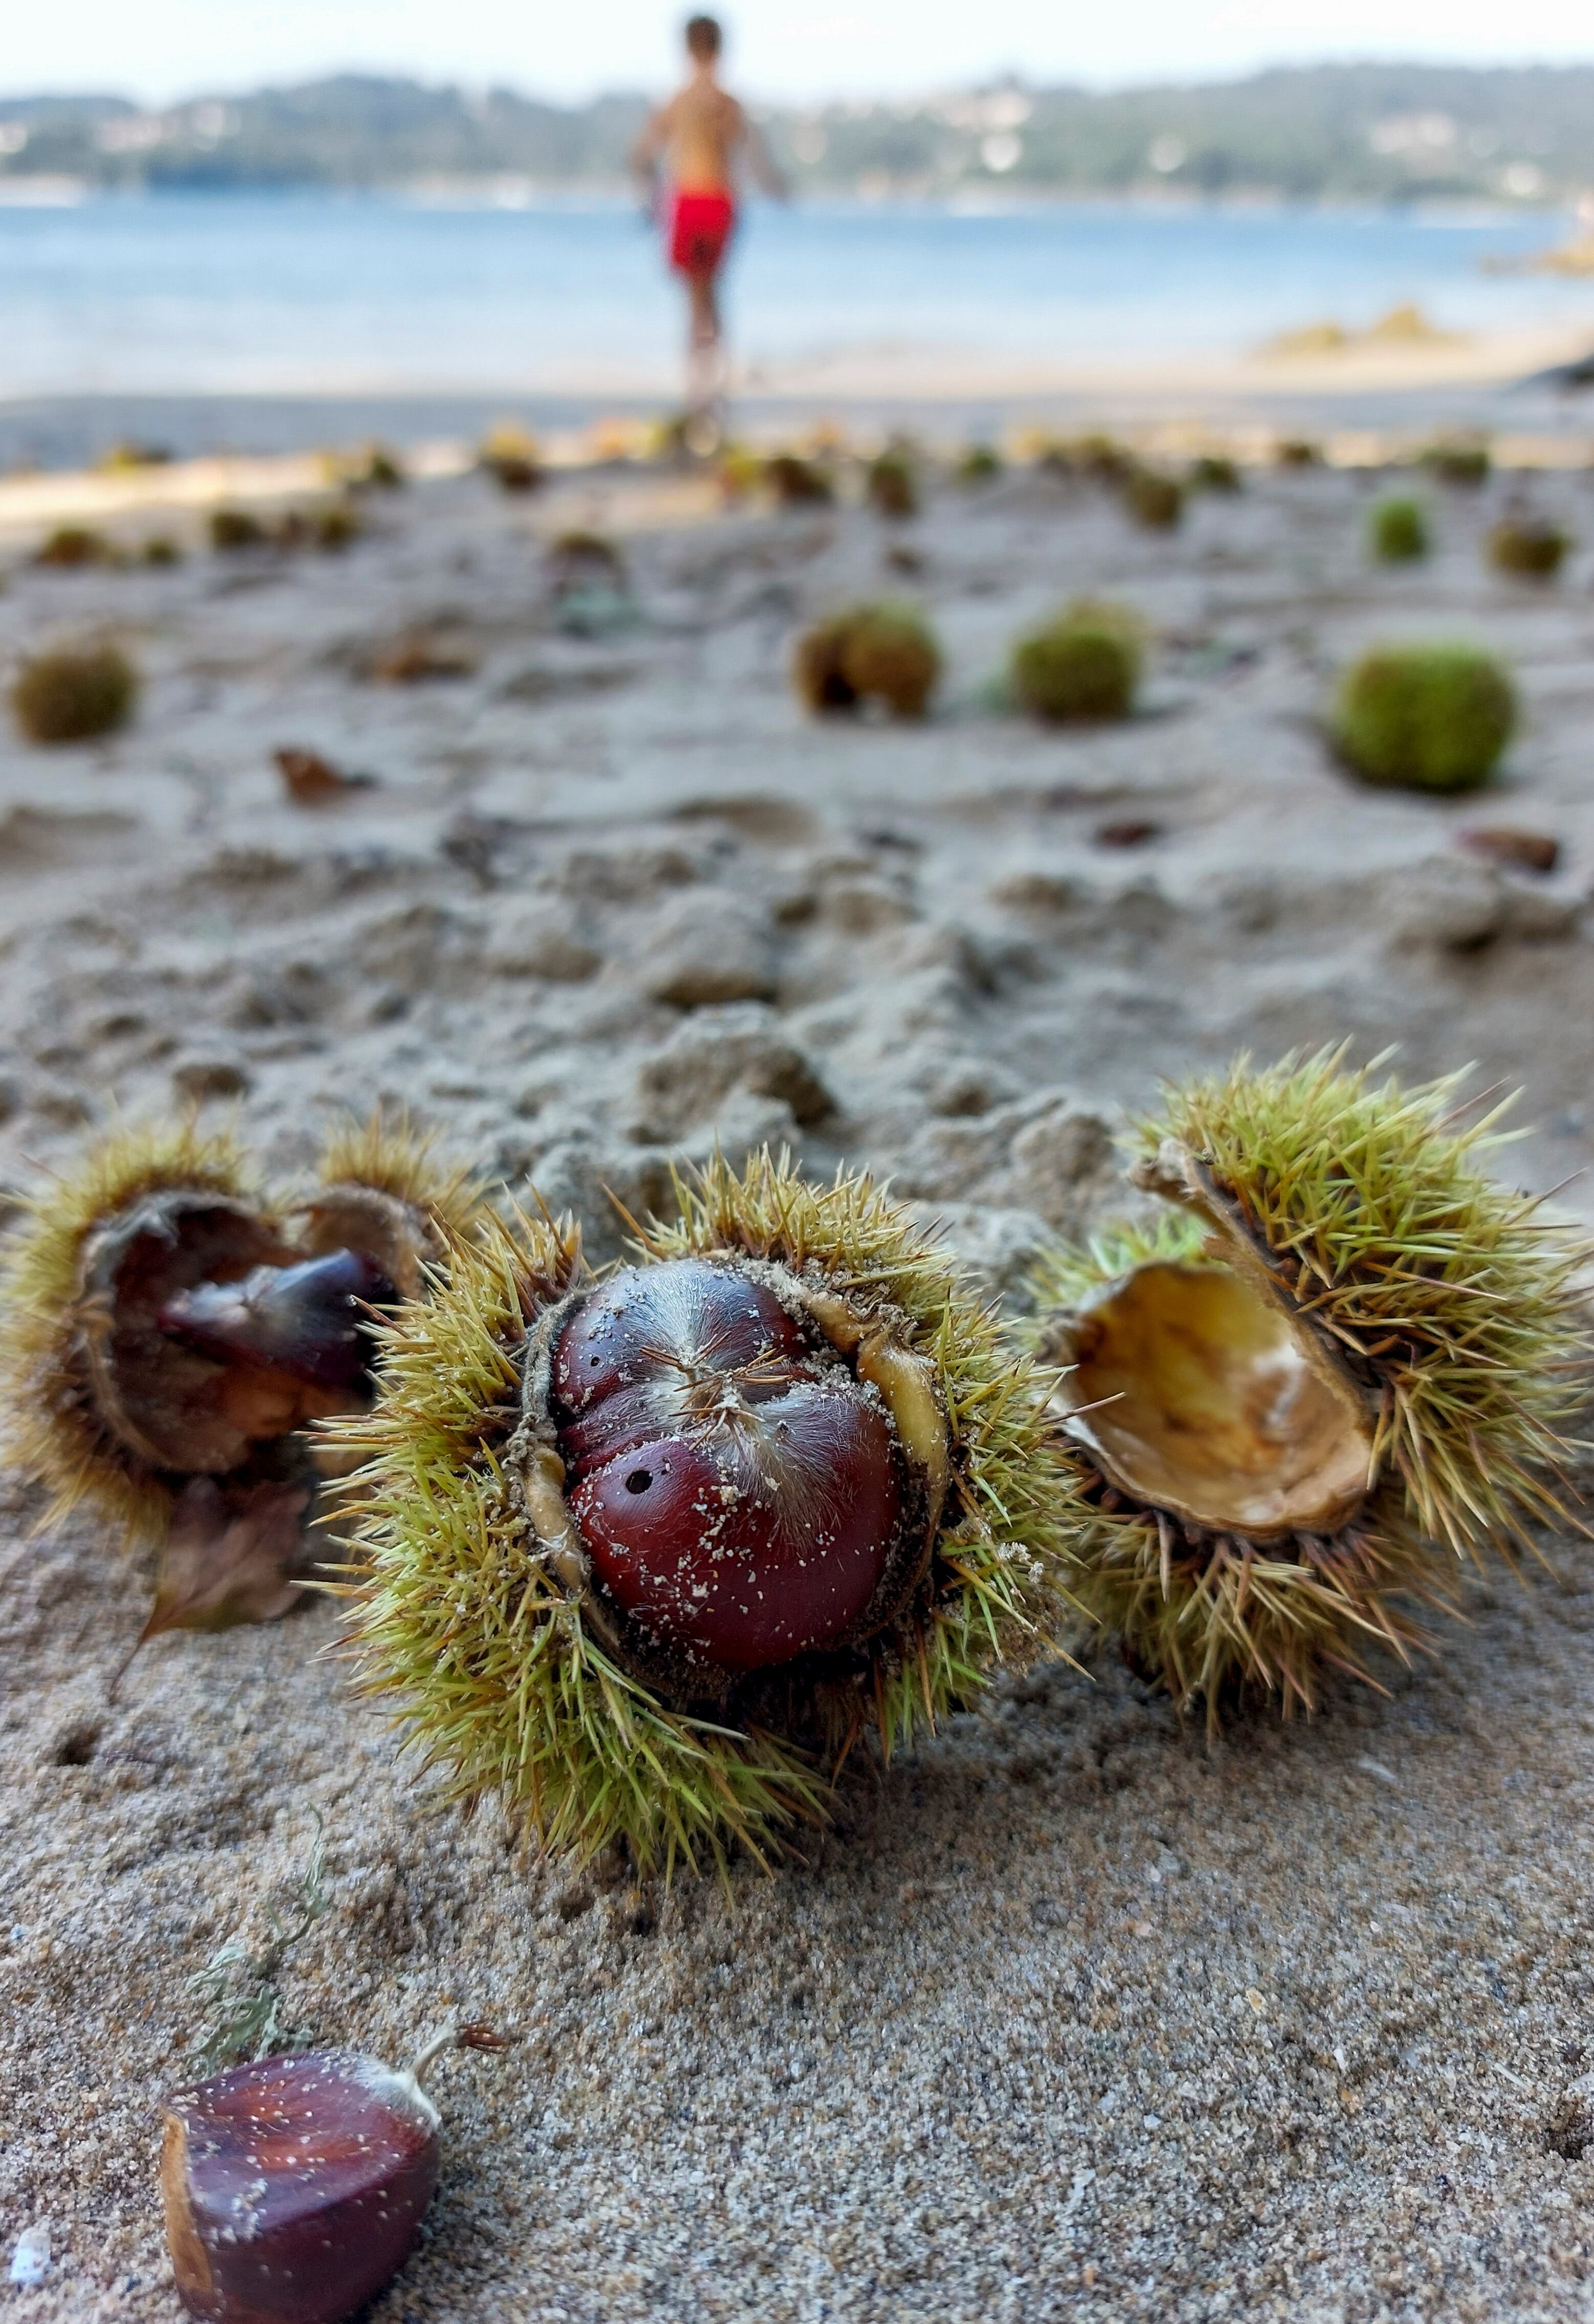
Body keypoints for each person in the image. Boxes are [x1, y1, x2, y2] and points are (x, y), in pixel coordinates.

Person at [631, 15, 785, 451]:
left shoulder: (677, 101)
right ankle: (712, 393)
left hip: (689, 204)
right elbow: (754, 159)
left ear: (686, 49)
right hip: (719, 205)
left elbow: (641, 156)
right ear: (720, 50)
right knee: (712, 296)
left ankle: (700, 396)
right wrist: (779, 188)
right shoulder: (725, 103)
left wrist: (649, 200)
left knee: (696, 301)